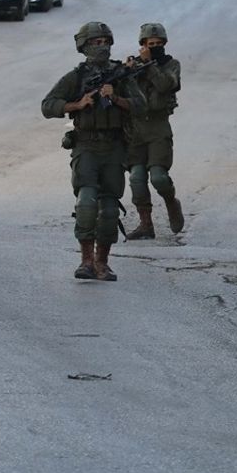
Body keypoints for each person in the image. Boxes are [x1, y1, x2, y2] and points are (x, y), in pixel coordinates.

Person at [41, 22, 147, 281]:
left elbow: (141, 106)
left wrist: (117, 98)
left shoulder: (121, 75)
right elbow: (48, 105)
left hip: (113, 147)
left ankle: (102, 262)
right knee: (87, 203)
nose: (102, 47)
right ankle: (86, 261)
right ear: (84, 46)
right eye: (96, 43)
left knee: (109, 208)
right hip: (86, 146)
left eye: (105, 42)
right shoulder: (76, 77)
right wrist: (78, 104)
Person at [124, 23, 185, 241]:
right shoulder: (134, 65)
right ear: (143, 45)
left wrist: (149, 64)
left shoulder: (171, 65)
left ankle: (171, 202)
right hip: (136, 129)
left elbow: (165, 85)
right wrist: (128, 71)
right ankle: (145, 224)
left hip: (158, 127)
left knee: (159, 177)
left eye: (159, 44)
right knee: (137, 178)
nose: (156, 47)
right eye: (151, 44)